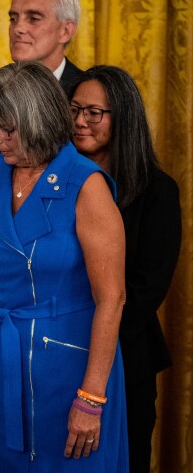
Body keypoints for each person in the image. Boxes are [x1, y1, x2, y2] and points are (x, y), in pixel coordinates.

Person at [0, 61, 127, 469]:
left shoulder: (85, 184)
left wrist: (91, 398)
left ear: (36, 121)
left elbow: (112, 299)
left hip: (70, 373)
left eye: (5, 129)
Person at [70, 66, 181, 472]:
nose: (80, 121)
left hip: (126, 356)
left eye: (94, 113)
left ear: (124, 117)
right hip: (57, 353)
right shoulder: (59, 183)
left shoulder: (157, 190)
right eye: (74, 109)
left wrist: (92, 338)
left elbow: (147, 287)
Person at [0, 0, 85, 183]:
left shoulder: (90, 96)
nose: (18, 28)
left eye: (33, 18)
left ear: (66, 31)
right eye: (13, 18)